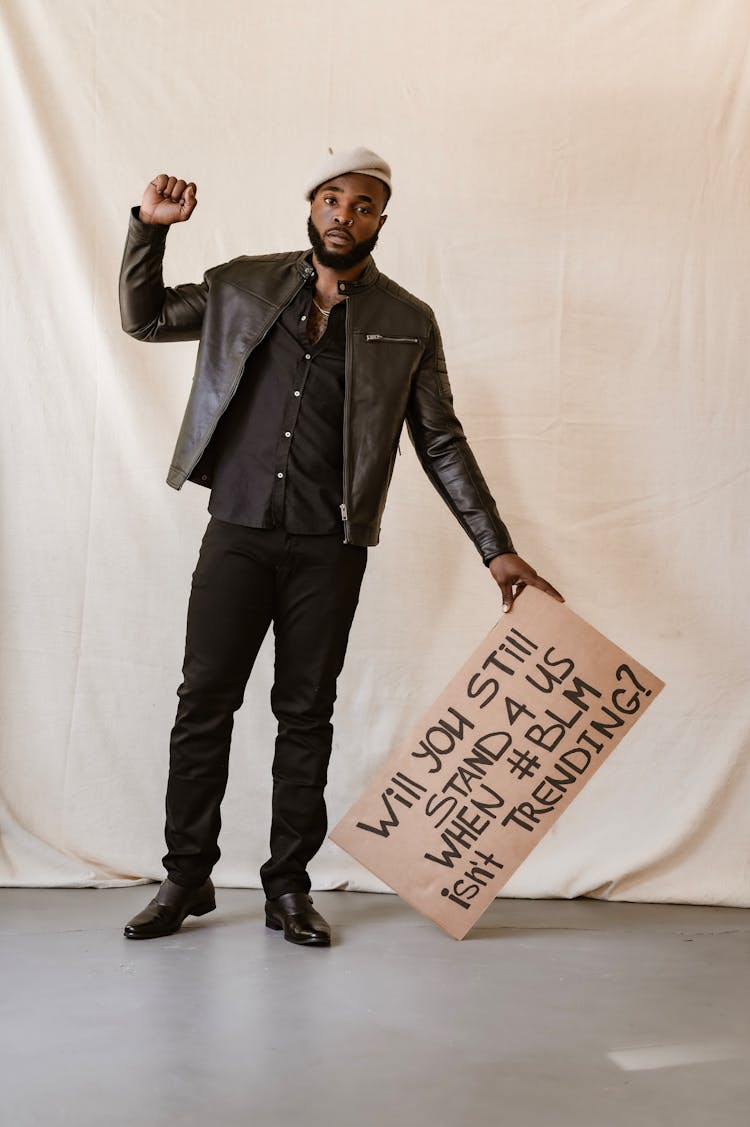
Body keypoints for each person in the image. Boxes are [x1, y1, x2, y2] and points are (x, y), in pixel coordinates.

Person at [119, 147, 562, 947]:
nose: (342, 214)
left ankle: (288, 888)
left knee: (305, 713)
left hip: (330, 546)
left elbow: (442, 441)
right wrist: (148, 231)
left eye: (361, 205)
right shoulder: (242, 283)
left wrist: (496, 548)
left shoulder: (408, 320)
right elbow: (145, 318)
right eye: (331, 198)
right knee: (202, 705)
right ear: (310, 206)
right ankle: (185, 878)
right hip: (239, 532)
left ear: (380, 221)